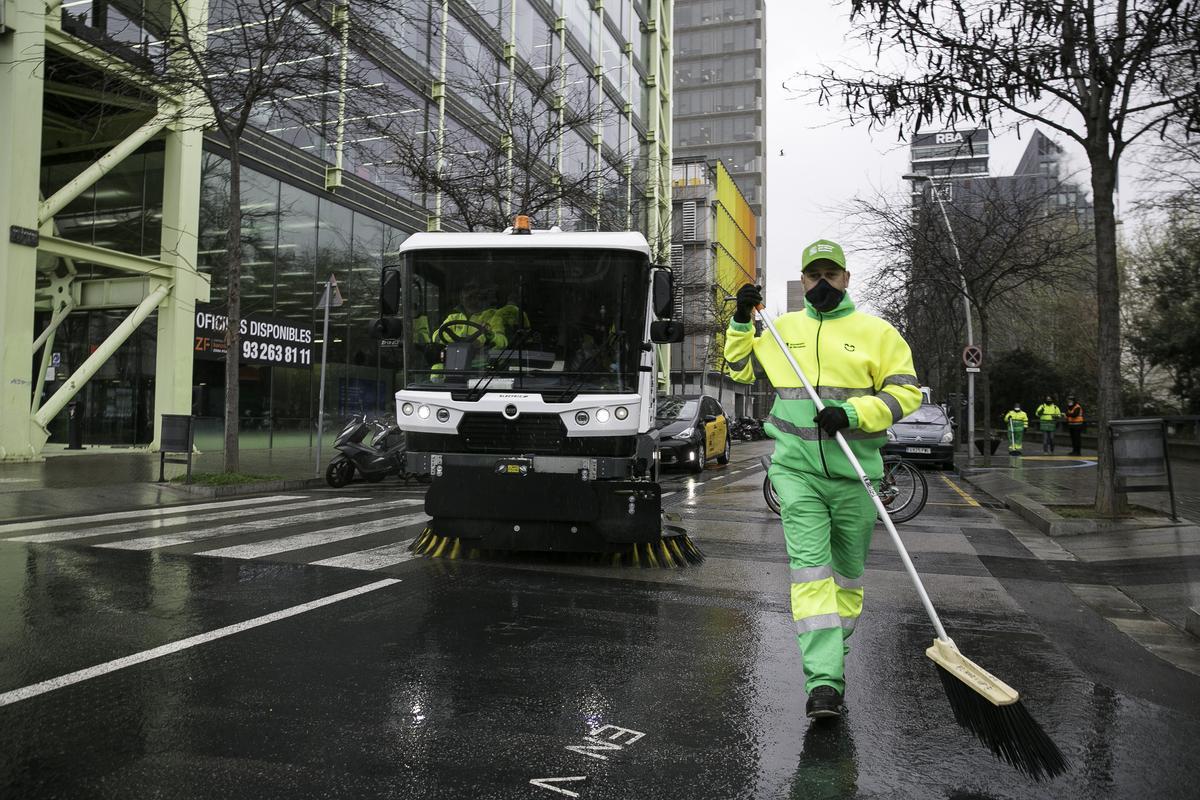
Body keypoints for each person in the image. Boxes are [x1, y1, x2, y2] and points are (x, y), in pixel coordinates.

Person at [724, 239, 922, 721]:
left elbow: (907, 393)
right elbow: (738, 368)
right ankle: (825, 683)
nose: (822, 284)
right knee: (811, 571)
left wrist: (853, 412)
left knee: (847, 579)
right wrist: (741, 320)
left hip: (855, 475)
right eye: (813, 276)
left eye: (831, 275)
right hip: (796, 474)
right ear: (803, 280)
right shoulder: (781, 328)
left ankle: (832, 655)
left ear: (847, 279)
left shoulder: (877, 333)